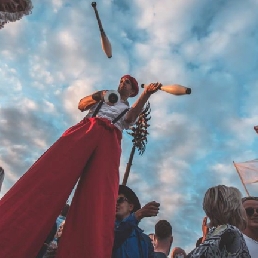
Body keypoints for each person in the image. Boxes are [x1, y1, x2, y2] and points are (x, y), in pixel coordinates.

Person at [0, 75, 161, 258]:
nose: (123, 83)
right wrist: (99, 95)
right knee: (51, 174)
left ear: (132, 92)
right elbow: (81, 105)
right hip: (87, 128)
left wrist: (146, 94)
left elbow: (131, 117)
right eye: (122, 80)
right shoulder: (105, 95)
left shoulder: (126, 108)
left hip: (109, 139)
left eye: (128, 83)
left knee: (97, 195)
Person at [186, 185, 251, 257]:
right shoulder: (231, 233)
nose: (243, 209)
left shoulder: (214, 234)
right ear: (234, 207)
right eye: (240, 205)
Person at [112, 185, 160, 258]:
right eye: (113, 201)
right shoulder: (107, 231)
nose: (116, 203)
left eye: (120, 200)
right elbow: (112, 241)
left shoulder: (145, 241)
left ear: (131, 207)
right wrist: (137, 215)